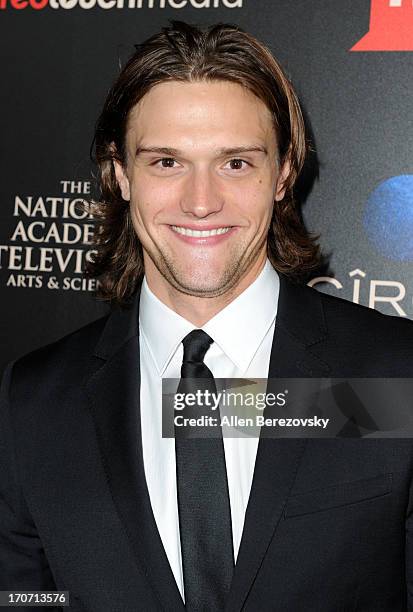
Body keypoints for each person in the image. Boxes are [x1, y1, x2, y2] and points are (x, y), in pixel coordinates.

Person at [1, 20, 413, 612]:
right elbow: (23, 600)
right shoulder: (34, 402)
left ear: (284, 173)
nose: (201, 201)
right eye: (166, 162)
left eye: (236, 164)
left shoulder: (393, 378)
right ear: (120, 174)